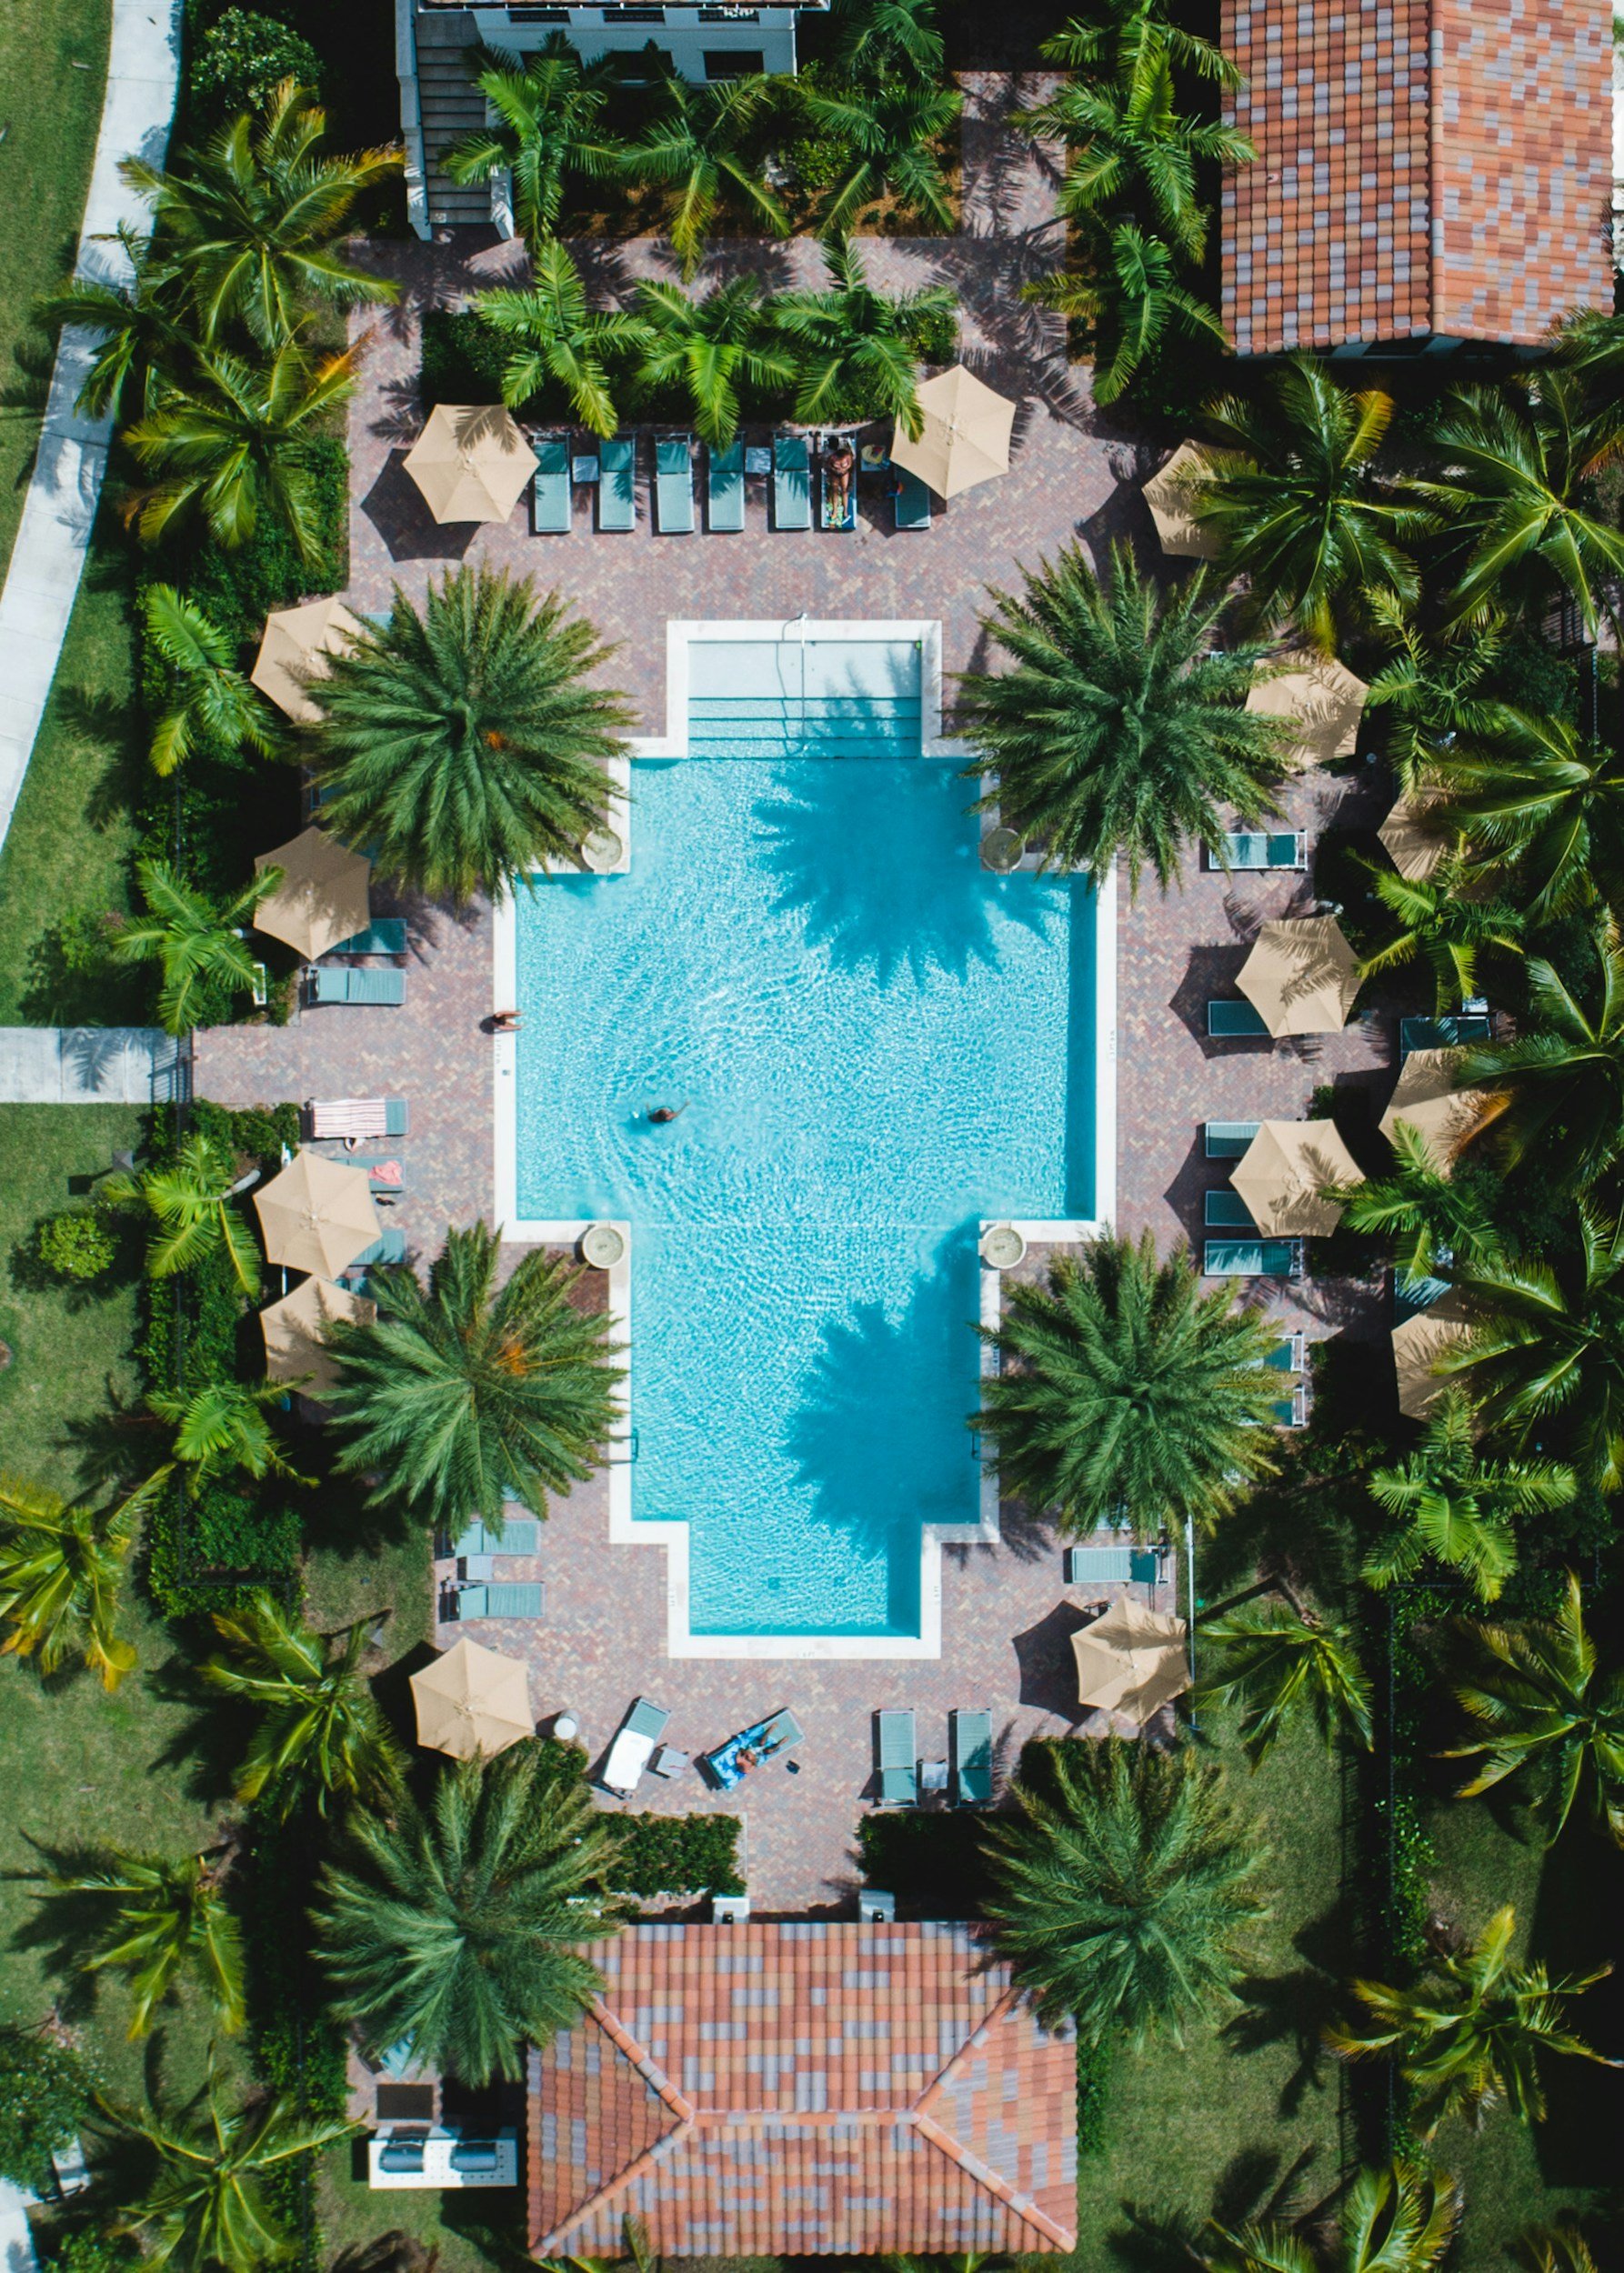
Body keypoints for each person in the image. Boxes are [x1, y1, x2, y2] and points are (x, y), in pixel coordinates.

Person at [826, 436, 855, 519]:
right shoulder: (832, 457)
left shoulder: (847, 455)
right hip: (835, 474)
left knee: (844, 491)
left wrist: (844, 469)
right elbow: (829, 465)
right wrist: (835, 469)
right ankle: (835, 511)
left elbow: (850, 464)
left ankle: (845, 510)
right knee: (835, 490)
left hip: (844, 473)